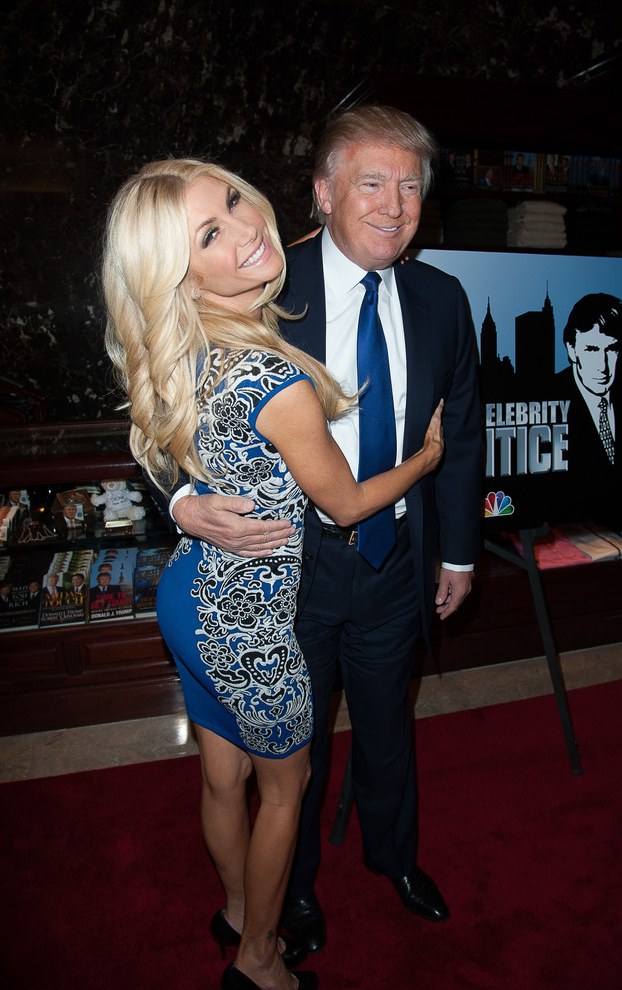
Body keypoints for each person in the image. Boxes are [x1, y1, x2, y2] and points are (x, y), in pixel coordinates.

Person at [102, 157, 445, 990]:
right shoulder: (275, 379)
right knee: (285, 792)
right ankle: (258, 960)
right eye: (209, 234)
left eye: (232, 201)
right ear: (176, 274)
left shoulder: (181, 345)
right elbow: (347, 503)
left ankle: (233, 910)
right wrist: (426, 457)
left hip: (187, 596)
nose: (247, 228)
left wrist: (187, 502)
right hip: (247, 622)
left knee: (223, 777)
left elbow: (157, 423)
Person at [170, 105, 483, 952]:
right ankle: (294, 890)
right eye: (371, 183)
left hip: (395, 560)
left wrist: (458, 554)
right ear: (322, 193)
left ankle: (394, 857)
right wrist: (180, 500)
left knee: (388, 724)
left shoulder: (442, 297)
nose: (393, 205)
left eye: (409, 186)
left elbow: (460, 434)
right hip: (286, 565)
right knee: (291, 751)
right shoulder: (263, 287)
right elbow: (168, 399)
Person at [556, 293, 622, 527]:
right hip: (569, 525)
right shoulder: (550, 395)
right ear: (572, 350)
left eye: (611, 349)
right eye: (592, 349)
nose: (603, 366)